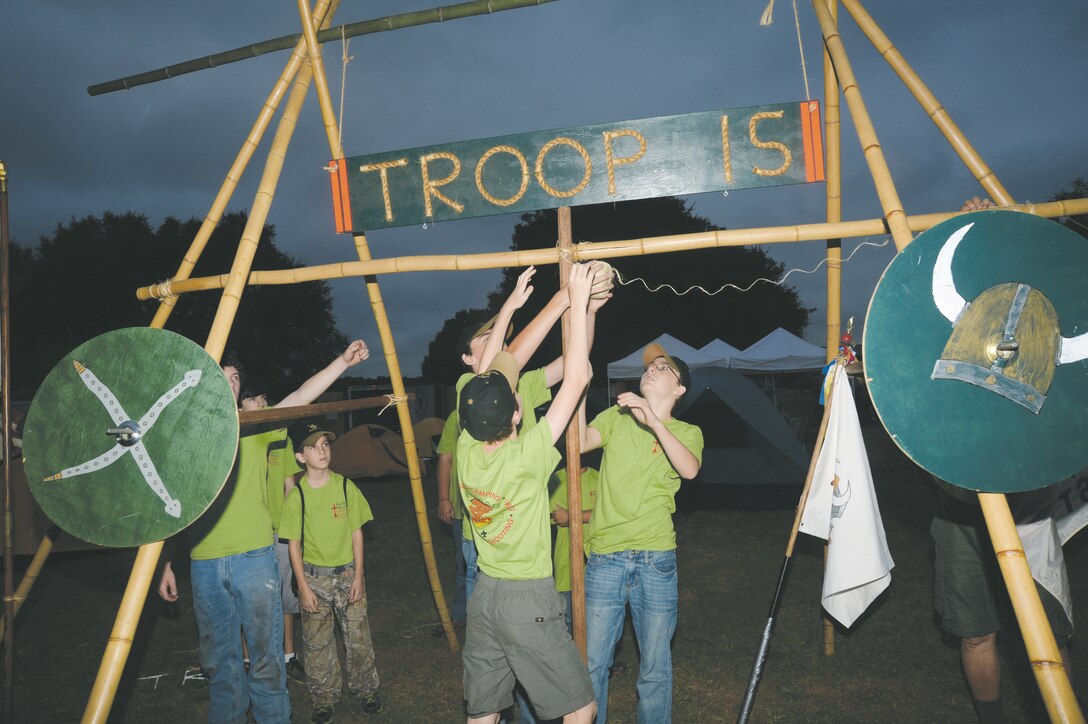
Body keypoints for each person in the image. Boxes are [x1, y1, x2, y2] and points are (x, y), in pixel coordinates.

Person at [157, 341, 369, 724]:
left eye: (236, 378)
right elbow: (171, 500)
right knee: (220, 663)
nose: (231, 383)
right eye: (223, 376)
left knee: (267, 659)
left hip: (255, 558)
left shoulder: (255, 425)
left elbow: (302, 395)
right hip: (204, 563)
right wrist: (165, 562)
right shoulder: (187, 435)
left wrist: (341, 361)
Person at [455, 261, 597, 724]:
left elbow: (499, 361)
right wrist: (576, 301)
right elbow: (577, 379)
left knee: (483, 713)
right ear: (516, 415)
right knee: (581, 710)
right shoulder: (529, 456)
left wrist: (513, 309)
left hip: (485, 596)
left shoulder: (465, 448)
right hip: (526, 600)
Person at [579, 342, 704, 723]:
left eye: (663, 368)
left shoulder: (687, 431)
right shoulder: (616, 418)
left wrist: (653, 420)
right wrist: (578, 387)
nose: (650, 370)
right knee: (593, 664)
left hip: (655, 559)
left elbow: (689, 469)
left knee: (654, 666)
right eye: (649, 367)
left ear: (680, 389)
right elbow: (580, 442)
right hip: (604, 557)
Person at [930, 478, 1075, 724]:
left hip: (1026, 516)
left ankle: (1066, 713)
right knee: (975, 634)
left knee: (1048, 634)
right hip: (959, 517)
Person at [281, 423, 381, 722]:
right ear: (300, 456)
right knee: (316, 642)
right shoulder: (297, 496)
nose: (322, 451)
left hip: (347, 575)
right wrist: (304, 586)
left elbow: (357, 534)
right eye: (313, 447)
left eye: (325, 444)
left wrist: (359, 575)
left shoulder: (345, 486)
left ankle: (366, 689)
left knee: (358, 637)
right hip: (314, 579)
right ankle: (324, 697)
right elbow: (294, 546)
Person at [239, 386, 305, 682]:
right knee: (247, 598)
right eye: (254, 398)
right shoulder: (238, 437)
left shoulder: (282, 438)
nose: (262, 402)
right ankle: (247, 660)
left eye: (265, 397)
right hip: (250, 531)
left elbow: (290, 486)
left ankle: (289, 656)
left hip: (279, 531)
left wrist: (294, 529)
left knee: (284, 596)